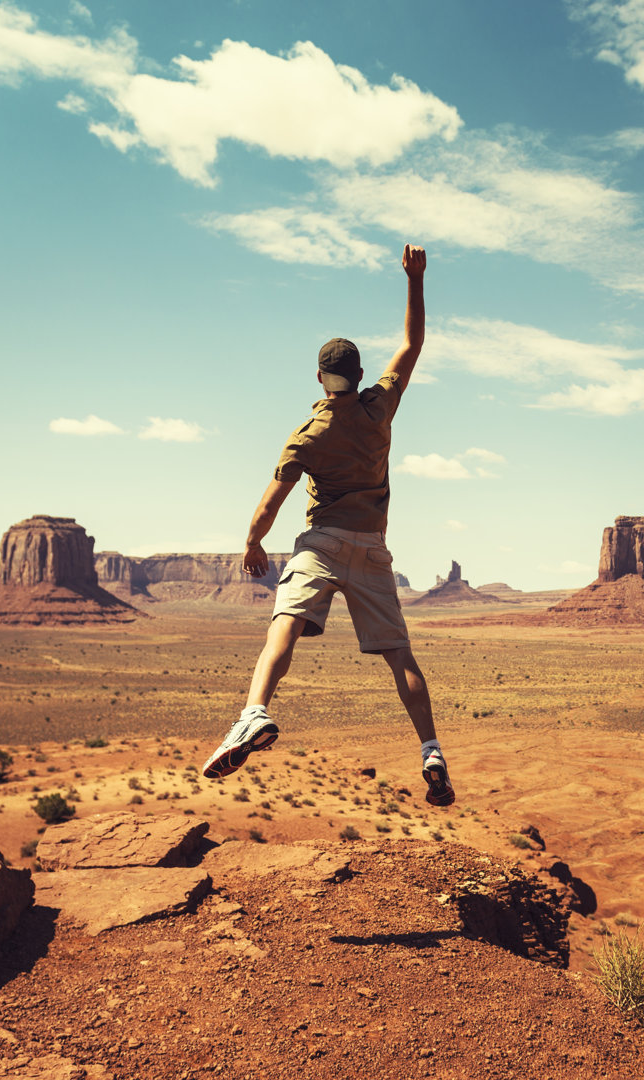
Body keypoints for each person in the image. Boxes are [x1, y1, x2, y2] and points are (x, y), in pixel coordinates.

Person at [202, 244, 454, 807]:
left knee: (285, 624)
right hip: (373, 549)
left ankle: (254, 714)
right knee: (399, 656)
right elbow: (413, 344)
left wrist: (252, 542)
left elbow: (271, 502)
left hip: (321, 543)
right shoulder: (379, 407)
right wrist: (415, 279)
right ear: (360, 374)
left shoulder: (308, 433)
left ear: (320, 377)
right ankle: (431, 749)